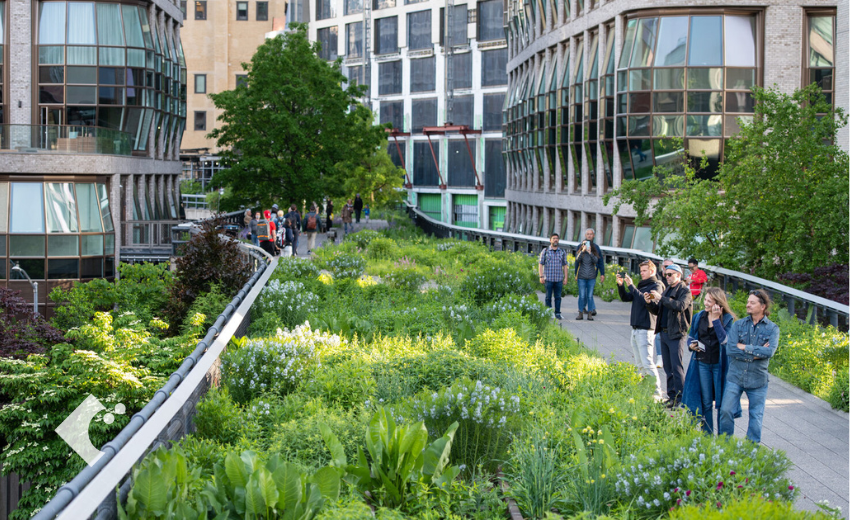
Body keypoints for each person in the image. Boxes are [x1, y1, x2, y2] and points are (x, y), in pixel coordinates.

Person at [718, 289, 780, 444]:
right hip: (735, 376)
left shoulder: (772, 329)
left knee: (756, 415)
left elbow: (769, 351)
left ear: (763, 306)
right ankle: (725, 445)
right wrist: (756, 353)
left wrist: (745, 347)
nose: (748, 305)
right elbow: (731, 349)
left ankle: (751, 448)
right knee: (725, 411)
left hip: (757, 379)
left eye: (752, 303)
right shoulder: (738, 324)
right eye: (748, 302)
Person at [682, 287, 739, 434]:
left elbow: (725, 341)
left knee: (721, 404)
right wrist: (691, 345)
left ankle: (722, 438)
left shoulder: (727, 319)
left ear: (718, 304)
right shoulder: (699, 316)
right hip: (702, 363)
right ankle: (707, 436)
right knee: (706, 402)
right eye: (705, 299)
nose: (706, 303)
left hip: (720, 366)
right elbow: (691, 336)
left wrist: (715, 320)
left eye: (709, 301)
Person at [645, 264, 693, 408]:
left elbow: (680, 306)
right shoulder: (667, 290)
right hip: (664, 332)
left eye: (670, 274)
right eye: (666, 274)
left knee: (676, 367)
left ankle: (681, 398)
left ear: (679, 275)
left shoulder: (684, 290)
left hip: (676, 333)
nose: (668, 277)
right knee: (667, 367)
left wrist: (662, 298)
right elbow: (658, 311)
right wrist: (649, 303)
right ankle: (672, 396)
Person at [617, 260, 665, 401]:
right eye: (641, 271)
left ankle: (656, 392)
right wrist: (621, 286)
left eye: (644, 270)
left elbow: (645, 300)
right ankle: (645, 389)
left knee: (647, 362)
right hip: (636, 328)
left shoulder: (657, 286)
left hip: (646, 328)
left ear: (652, 271)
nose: (642, 273)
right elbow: (627, 297)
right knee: (640, 364)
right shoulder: (642, 285)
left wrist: (631, 286)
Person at [574, 228, 605, 320]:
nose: (589, 235)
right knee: (582, 295)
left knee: (590, 296)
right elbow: (577, 261)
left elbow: (598, 261)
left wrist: (590, 252)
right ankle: (580, 312)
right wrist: (583, 250)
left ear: (593, 236)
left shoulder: (596, 248)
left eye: (591, 234)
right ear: (585, 235)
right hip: (581, 276)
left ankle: (590, 313)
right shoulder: (580, 246)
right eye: (587, 234)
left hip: (592, 276)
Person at [538, 233, 569, 320]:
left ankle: (558, 313)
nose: (555, 240)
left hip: (559, 279)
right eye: (554, 238)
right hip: (548, 278)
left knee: (558, 297)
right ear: (550, 240)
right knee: (548, 297)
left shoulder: (562, 252)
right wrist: (541, 276)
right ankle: (549, 313)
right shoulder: (546, 251)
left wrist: (566, 278)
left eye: (557, 238)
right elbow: (540, 264)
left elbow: (565, 265)